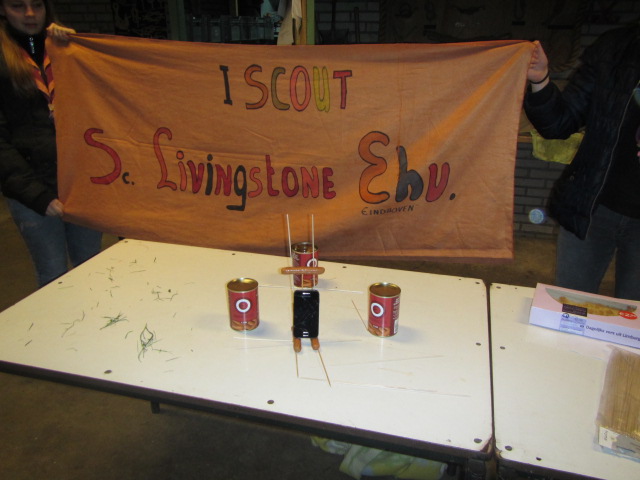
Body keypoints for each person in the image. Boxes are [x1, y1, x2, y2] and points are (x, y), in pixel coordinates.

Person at [524, 26, 640, 301]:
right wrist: (540, 80)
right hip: (591, 209)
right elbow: (559, 123)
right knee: (571, 309)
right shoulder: (616, 47)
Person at [0, 0, 102, 287]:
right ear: (3, 10)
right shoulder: (4, 61)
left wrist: (77, 50)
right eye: (18, 6)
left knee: (92, 267)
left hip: (80, 184)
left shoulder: (64, 49)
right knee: (53, 274)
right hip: (33, 190)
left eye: (37, 5)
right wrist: (37, 196)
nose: (30, 14)